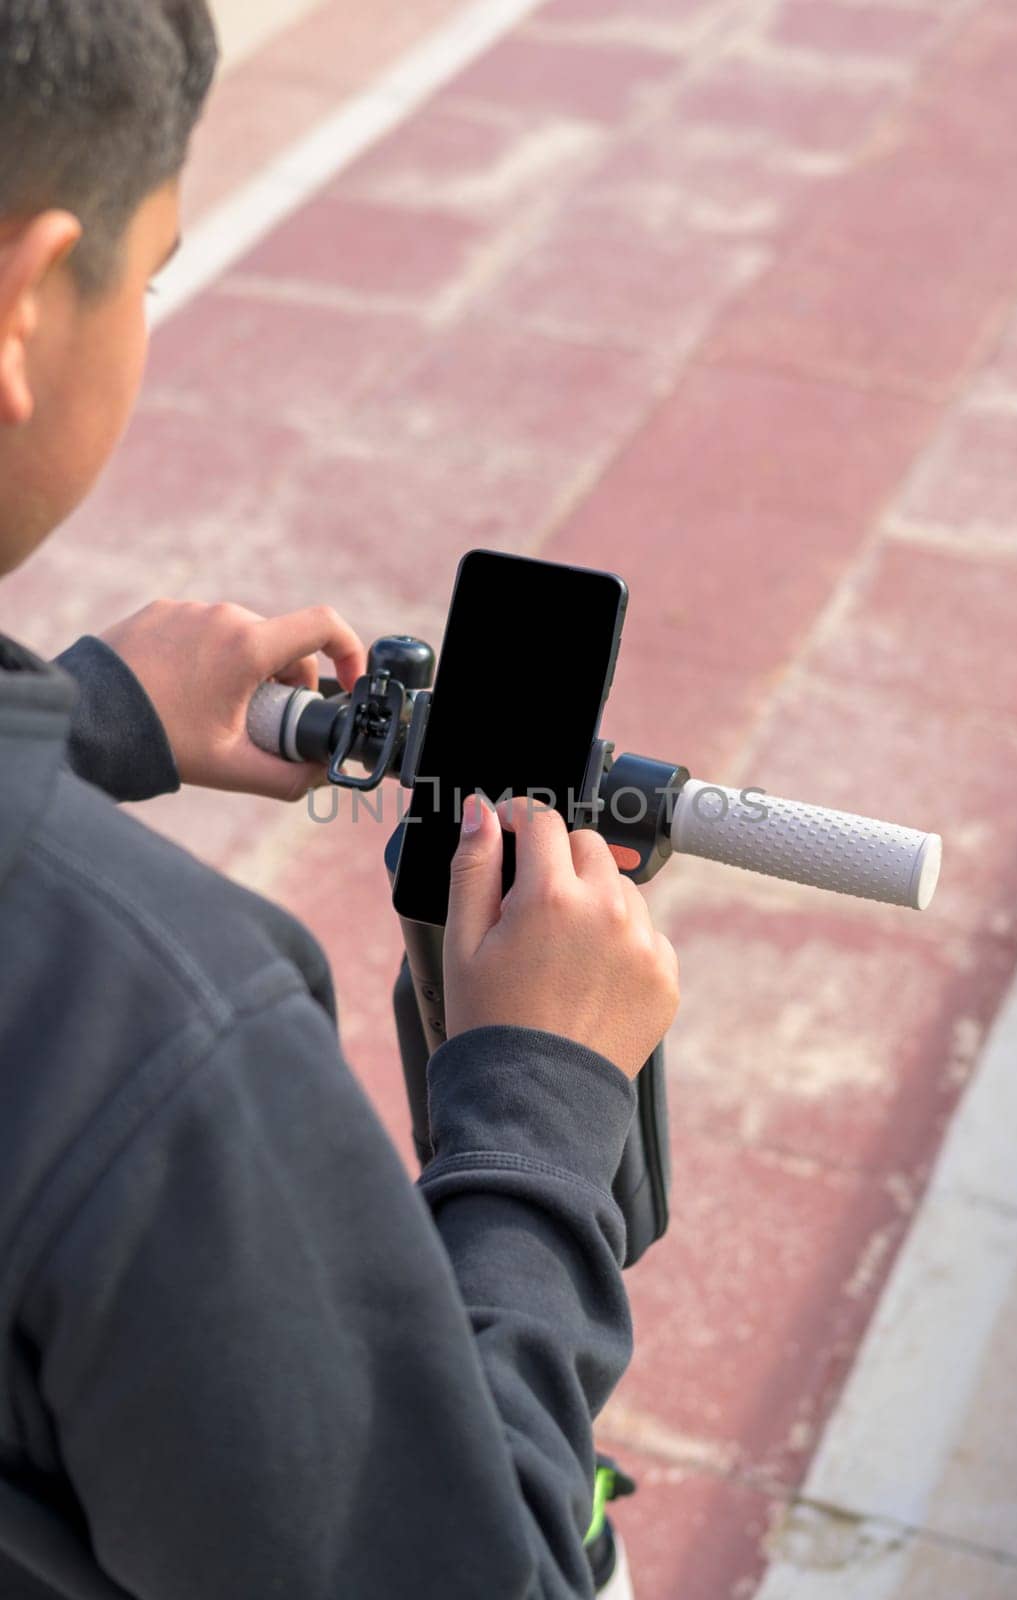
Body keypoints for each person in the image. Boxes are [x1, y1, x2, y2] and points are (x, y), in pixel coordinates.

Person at [0, 3, 680, 1597]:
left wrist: (80, 719)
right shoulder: (158, 1027)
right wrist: (542, 1105)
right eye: (151, 269)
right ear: (26, 301)